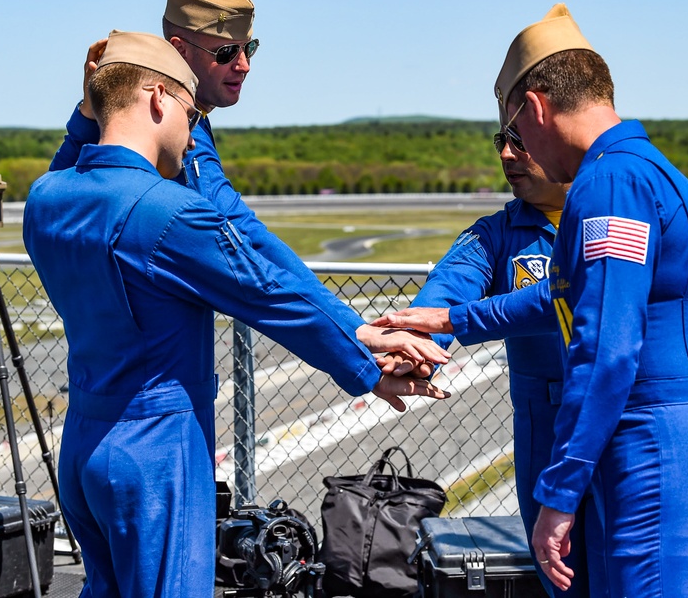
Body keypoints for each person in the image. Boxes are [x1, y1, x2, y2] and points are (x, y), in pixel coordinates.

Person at [23, 31, 451, 597]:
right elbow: (268, 292)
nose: (192, 130)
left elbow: (74, 159)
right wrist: (366, 358)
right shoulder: (168, 213)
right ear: (157, 100)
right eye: (189, 110)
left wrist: (89, 110)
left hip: (83, 442)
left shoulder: (47, 198)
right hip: (157, 450)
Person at [380, 4, 688, 596]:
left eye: (514, 133)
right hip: (653, 445)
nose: (510, 152)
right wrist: (448, 319)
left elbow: (606, 343)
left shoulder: (608, 183)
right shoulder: (653, 173)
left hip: (648, 448)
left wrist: (558, 492)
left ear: (535, 107)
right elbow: (574, 302)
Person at [49, 0, 420, 374]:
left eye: (250, 48)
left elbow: (58, 204)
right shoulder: (183, 139)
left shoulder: (51, 190)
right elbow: (244, 242)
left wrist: (88, 113)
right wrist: (355, 333)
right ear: (179, 49)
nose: (244, 65)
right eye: (226, 52)